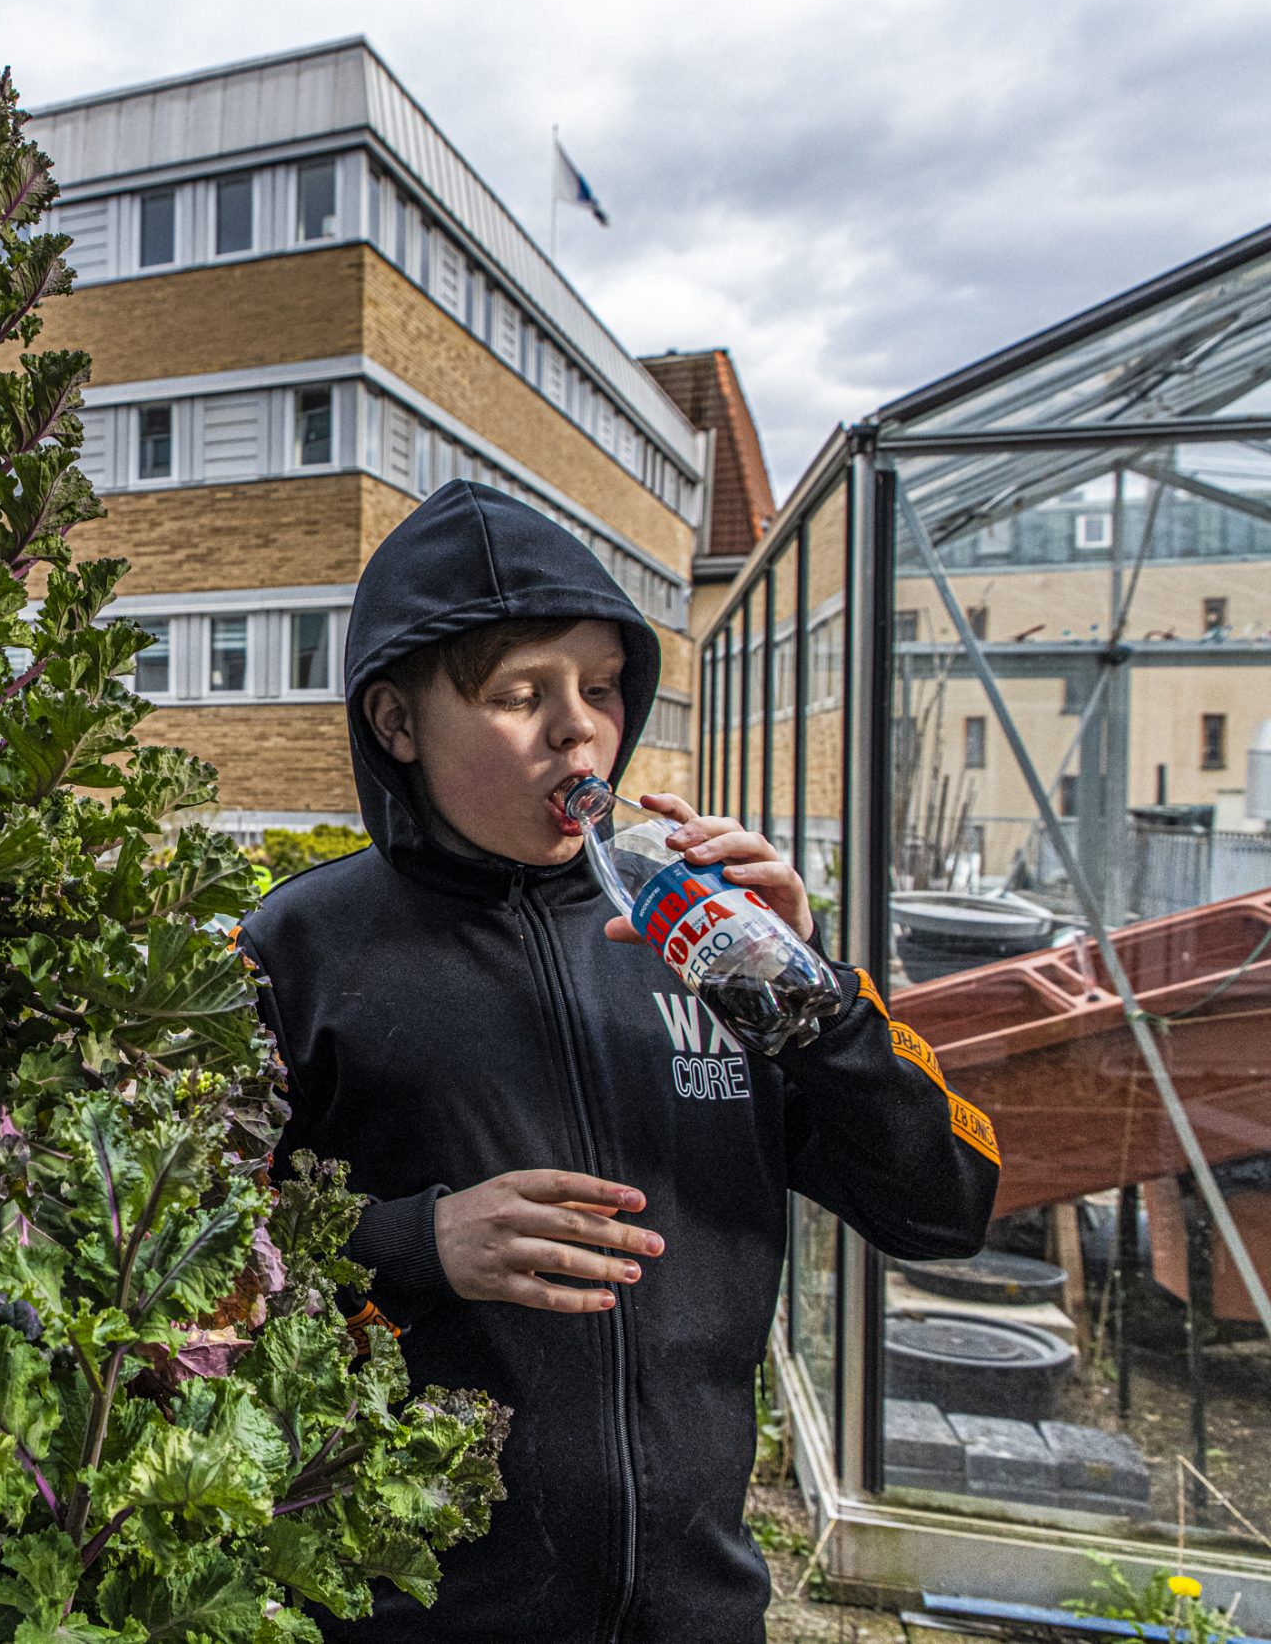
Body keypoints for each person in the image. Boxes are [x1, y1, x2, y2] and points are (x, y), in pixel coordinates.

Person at [238, 481, 1000, 1644]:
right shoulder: (297, 950)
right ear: (395, 723)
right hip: (403, 1611)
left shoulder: (711, 943)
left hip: (697, 1611)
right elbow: (178, 1280)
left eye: (599, 688)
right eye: (517, 694)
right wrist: (412, 1244)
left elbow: (946, 1206)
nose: (577, 728)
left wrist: (816, 1003)